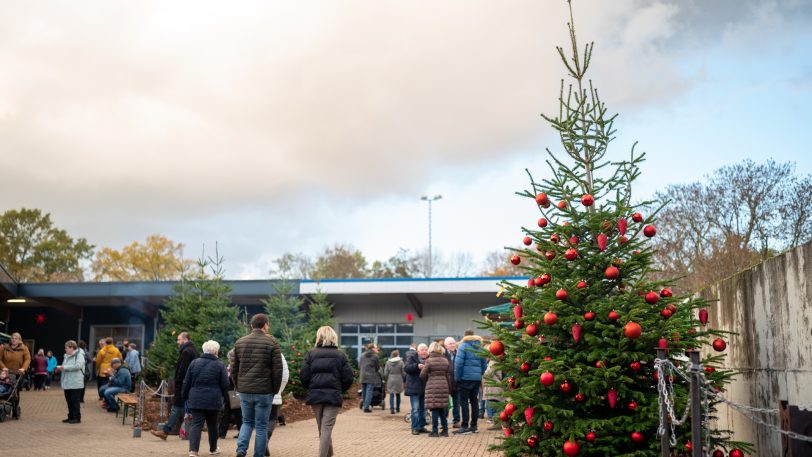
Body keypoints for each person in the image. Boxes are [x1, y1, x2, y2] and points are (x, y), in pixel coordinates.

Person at [232, 314, 283, 457]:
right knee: (261, 426)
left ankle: (241, 450)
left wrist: (238, 386)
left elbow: (234, 369)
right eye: (268, 325)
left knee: (246, 422)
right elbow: (277, 370)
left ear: (251, 326)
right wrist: (275, 390)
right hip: (264, 391)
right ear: (265, 325)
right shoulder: (272, 343)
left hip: (245, 390)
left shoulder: (240, 342)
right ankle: (258, 455)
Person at [300, 326, 354, 457]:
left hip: (316, 396)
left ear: (319, 337)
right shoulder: (340, 355)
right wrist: (340, 389)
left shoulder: (311, 354)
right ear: (333, 338)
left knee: (323, 428)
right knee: (325, 428)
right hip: (333, 396)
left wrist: (311, 387)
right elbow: (348, 377)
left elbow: (304, 376)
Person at [182, 340, 230, 457]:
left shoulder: (194, 363)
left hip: (196, 398)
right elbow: (225, 385)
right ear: (216, 351)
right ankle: (213, 449)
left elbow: (186, 382)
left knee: (196, 424)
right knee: (212, 424)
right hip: (213, 399)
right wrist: (225, 398)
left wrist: (185, 396)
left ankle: (193, 451)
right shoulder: (220, 365)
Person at [151, 331, 199, 440]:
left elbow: (183, 370)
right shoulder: (191, 350)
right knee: (182, 408)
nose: (177, 342)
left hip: (183, 385)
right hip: (188, 385)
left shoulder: (187, 351)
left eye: (179, 339)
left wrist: (178, 383)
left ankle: (166, 431)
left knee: (177, 408)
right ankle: (186, 431)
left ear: (185, 339)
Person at [453, 329, 487, 435]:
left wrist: (457, 378)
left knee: (464, 402)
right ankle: (474, 426)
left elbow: (458, 364)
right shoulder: (479, 347)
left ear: (465, 336)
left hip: (465, 378)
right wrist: (479, 374)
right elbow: (484, 364)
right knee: (474, 402)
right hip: (476, 378)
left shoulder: (463, 346)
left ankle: (464, 426)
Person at [420, 341, 452, 437]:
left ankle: (435, 431)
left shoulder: (429, 361)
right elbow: (448, 376)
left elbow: (422, 375)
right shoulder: (445, 360)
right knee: (442, 409)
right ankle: (445, 430)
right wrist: (449, 389)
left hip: (433, 387)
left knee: (434, 409)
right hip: (444, 386)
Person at [266, 352, 289, 456]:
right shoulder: (278, 354)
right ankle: (265, 441)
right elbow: (284, 375)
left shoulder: (250, 350)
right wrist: (278, 390)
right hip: (273, 392)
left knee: (256, 420)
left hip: (254, 392)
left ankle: (242, 449)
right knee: (272, 418)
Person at [58, 340, 85, 424]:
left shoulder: (80, 355)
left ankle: (77, 418)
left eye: (66, 348)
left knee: (75, 401)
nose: (65, 349)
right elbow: (65, 367)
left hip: (76, 383)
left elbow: (78, 366)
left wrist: (64, 367)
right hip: (67, 382)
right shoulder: (66, 356)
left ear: (71, 347)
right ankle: (70, 417)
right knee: (69, 401)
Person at [404, 343, 428, 435]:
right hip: (414, 387)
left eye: (425, 349)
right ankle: (414, 427)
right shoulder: (412, 357)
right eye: (422, 349)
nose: (424, 351)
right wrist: (417, 366)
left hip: (424, 387)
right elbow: (406, 368)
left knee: (423, 409)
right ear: (418, 351)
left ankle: (421, 427)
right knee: (415, 409)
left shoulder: (428, 359)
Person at [482, 350, 504, 431]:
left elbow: (488, 373)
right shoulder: (500, 359)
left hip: (493, 385)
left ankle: (497, 423)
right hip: (497, 384)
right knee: (497, 402)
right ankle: (498, 422)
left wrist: (484, 375)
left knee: (494, 403)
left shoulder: (493, 361)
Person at [444, 337, 461, 428]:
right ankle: (444, 419)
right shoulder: (443, 355)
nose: (452, 345)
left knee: (456, 404)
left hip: (456, 382)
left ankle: (456, 421)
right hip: (446, 382)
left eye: (453, 343)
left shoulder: (459, 354)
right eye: (450, 343)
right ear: (446, 346)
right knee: (445, 402)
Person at [359, 343, 381, 413]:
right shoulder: (375, 356)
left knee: (364, 391)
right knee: (369, 391)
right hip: (371, 375)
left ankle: (364, 405)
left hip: (362, 375)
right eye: (375, 347)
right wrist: (375, 371)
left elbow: (359, 365)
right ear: (372, 348)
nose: (376, 348)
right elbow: (377, 367)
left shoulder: (362, 355)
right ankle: (366, 407)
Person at [383, 349, 404, 414]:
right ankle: (398, 408)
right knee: (398, 394)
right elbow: (403, 372)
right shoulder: (401, 362)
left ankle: (392, 408)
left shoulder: (388, 362)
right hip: (399, 379)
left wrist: (386, 378)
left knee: (391, 394)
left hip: (391, 379)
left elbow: (385, 373)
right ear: (397, 355)